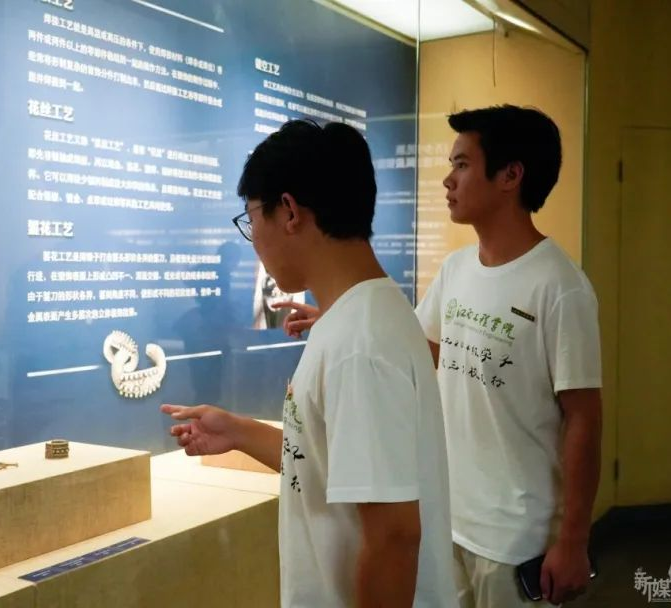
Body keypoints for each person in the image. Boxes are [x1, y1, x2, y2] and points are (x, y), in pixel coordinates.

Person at [277, 105, 603, 607]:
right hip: (447, 523)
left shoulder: (560, 287)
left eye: (463, 165)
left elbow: (584, 418)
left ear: (511, 176)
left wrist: (573, 540)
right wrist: (338, 319)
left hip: (516, 539)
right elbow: (411, 345)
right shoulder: (456, 270)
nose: (448, 180)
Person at [161, 119, 457, 607]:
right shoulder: (362, 318)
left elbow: (394, 537)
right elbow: (325, 464)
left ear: (290, 211)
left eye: (251, 219)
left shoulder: (359, 344)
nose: (253, 240)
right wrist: (238, 431)